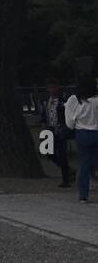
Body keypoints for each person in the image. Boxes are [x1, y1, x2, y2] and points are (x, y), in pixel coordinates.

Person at [64, 74, 98, 204]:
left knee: (83, 165)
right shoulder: (96, 101)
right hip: (96, 132)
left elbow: (70, 124)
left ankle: (83, 195)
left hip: (82, 133)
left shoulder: (74, 100)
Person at [40, 81, 72, 187]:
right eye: (50, 88)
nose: (52, 90)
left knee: (62, 154)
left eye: (54, 87)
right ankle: (67, 170)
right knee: (47, 150)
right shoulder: (46, 100)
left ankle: (66, 179)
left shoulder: (63, 100)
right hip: (49, 128)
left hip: (60, 128)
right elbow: (44, 113)